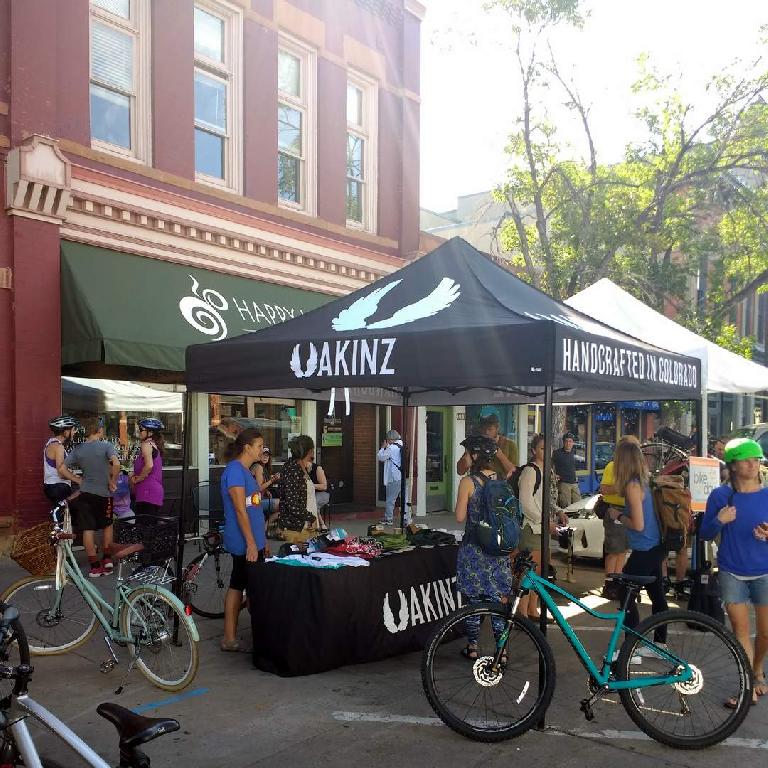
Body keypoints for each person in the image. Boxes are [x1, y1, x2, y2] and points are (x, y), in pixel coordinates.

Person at [701, 437, 768, 706]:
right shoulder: (720, 496)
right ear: (733, 464)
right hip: (731, 571)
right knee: (741, 631)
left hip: (765, 571)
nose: (753, 464)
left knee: (765, 633)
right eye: (746, 459)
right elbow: (704, 533)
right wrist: (720, 519)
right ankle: (747, 685)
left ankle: (758, 669)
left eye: (757, 459)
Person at [455, 435, 513, 661]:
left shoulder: (468, 483)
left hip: (474, 550)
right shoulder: (501, 481)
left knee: (474, 601)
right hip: (497, 551)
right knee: (498, 600)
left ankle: (472, 647)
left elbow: (460, 517)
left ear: (474, 455)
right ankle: (502, 650)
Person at [607, 437, 668, 650]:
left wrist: (617, 516)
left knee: (625, 596)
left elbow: (639, 524)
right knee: (657, 596)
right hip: (656, 547)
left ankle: (631, 647)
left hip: (644, 548)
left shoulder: (633, 486)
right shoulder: (643, 481)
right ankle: (660, 645)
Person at [220, 428, 266, 652]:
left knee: (238, 583)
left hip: (254, 540)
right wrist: (250, 543)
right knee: (245, 585)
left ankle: (230, 636)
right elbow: (240, 510)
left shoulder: (246, 471)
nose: (262, 450)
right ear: (247, 447)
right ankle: (231, 637)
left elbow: (251, 504)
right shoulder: (236, 471)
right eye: (259, 446)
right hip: (244, 541)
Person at [59, 417, 120, 577]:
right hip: (104, 494)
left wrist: (78, 479)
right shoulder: (107, 446)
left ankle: (94, 565)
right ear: (99, 430)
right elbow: (117, 464)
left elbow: (62, 469)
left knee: (88, 529)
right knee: (107, 525)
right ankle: (107, 559)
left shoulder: (78, 450)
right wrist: (113, 481)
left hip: (85, 493)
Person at [517, 433, 566, 621]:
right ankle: (521, 613)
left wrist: (558, 511)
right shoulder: (530, 471)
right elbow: (526, 503)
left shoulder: (547, 470)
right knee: (529, 572)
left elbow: (547, 498)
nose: (546, 452)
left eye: (548, 448)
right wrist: (546, 522)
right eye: (542, 448)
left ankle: (532, 610)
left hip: (543, 528)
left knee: (538, 572)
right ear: (533, 450)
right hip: (532, 529)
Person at [598, 448, 630, 599]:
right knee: (614, 549)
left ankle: (617, 581)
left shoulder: (630, 468)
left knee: (622, 550)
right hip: (614, 510)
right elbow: (603, 489)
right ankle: (609, 583)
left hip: (627, 510)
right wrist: (622, 486)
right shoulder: (612, 466)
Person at [278, 435, 318, 542]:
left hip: (306, 526)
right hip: (297, 529)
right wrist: (311, 518)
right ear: (309, 451)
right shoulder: (293, 470)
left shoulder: (300, 468)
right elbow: (292, 504)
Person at [456, 413, 518, 480]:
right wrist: (468, 458)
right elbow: (460, 471)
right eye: (483, 429)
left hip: (500, 487)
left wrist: (498, 453)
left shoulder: (509, 445)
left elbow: (514, 473)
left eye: (490, 429)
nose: (486, 432)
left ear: (497, 428)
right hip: (479, 486)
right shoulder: (475, 443)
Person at [130, 418, 165, 516]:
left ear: (150, 432)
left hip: (147, 492)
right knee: (149, 527)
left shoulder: (146, 445)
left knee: (144, 528)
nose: (139, 432)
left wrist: (138, 479)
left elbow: (149, 465)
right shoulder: (153, 445)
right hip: (150, 492)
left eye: (141, 430)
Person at [43, 416, 80, 505]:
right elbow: (61, 473)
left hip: (52, 486)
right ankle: (60, 508)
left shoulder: (51, 443)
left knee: (64, 514)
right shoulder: (58, 447)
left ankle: (59, 509)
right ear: (66, 431)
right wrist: (79, 480)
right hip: (58, 486)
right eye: (73, 429)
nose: (75, 432)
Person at [377, 429, 403, 526]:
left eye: (387, 439)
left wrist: (382, 447)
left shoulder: (391, 448)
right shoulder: (401, 445)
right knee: (404, 499)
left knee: (390, 500)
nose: (387, 441)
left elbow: (381, 457)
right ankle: (406, 518)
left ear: (391, 439)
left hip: (394, 477)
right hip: (402, 476)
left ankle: (388, 519)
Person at [251, 447, 280, 531]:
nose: (265, 457)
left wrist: (267, 491)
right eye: (263, 455)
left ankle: (266, 526)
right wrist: (272, 480)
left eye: (267, 456)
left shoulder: (263, 468)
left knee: (285, 505)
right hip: (253, 502)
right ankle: (264, 527)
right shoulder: (258, 467)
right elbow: (258, 488)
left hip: (259, 499)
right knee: (283, 504)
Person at [552, 432, 581, 508]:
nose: (568, 443)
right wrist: (553, 474)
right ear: (563, 442)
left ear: (573, 443)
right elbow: (548, 465)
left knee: (578, 505)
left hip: (574, 483)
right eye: (566, 441)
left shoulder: (573, 453)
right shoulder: (557, 453)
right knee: (566, 507)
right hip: (563, 483)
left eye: (570, 441)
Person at [309, 459, 329, 529]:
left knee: (313, 502)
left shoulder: (317, 469)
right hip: (310, 494)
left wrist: (310, 485)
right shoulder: (302, 470)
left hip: (322, 493)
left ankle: (320, 524)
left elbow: (324, 486)